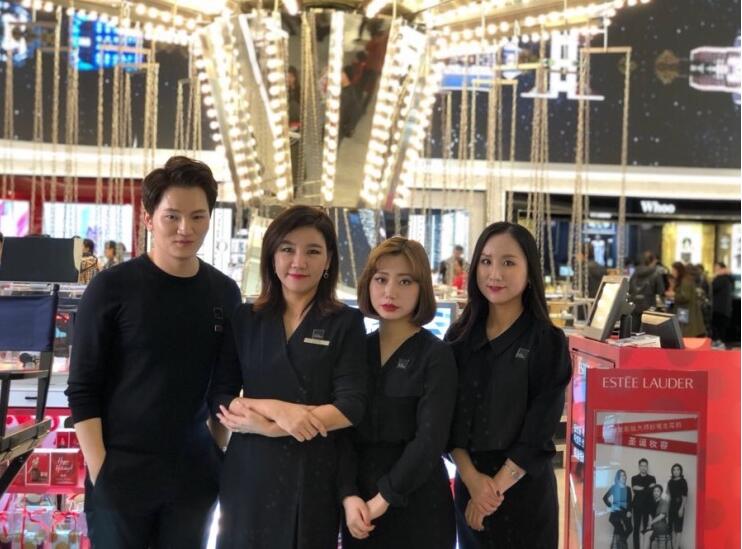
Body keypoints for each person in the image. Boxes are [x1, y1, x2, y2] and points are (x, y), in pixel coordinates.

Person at [65, 156, 242, 548]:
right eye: (172, 216)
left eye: (197, 217)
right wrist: (101, 471)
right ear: (148, 218)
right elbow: (82, 387)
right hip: (120, 471)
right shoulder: (111, 288)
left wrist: (216, 451)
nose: (185, 229)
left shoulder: (224, 293)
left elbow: (225, 386)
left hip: (193, 475)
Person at [210, 205, 367, 548]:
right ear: (271, 255)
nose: (299, 261)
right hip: (250, 472)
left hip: (312, 472)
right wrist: (279, 409)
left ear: (328, 260)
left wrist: (270, 426)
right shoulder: (245, 318)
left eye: (313, 251)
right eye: (287, 249)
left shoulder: (345, 322)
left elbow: (352, 406)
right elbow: (220, 396)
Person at [446, 222, 571, 548]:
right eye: (486, 261)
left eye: (508, 262)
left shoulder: (547, 341)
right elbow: (446, 420)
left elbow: (540, 428)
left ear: (530, 272)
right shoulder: (458, 338)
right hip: (470, 487)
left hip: (524, 493)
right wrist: (473, 483)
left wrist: (492, 491)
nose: (495, 273)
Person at [339, 237, 457, 548]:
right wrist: (348, 495)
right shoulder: (355, 351)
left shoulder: (436, 355)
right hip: (358, 508)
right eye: (381, 279)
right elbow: (340, 432)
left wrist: (384, 497)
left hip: (418, 504)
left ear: (422, 289)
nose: (390, 292)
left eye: (405, 281)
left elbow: (430, 439)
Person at [666, 262, 705, 337]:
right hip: (684, 311)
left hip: (684, 311)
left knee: (685, 333)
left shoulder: (685, 281)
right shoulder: (683, 280)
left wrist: (673, 295)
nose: (672, 272)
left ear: (679, 270)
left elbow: (685, 297)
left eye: (674, 270)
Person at [628, 252, 665, 331]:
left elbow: (629, 289)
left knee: (633, 331)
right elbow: (661, 291)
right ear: (653, 261)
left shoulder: (635, 273)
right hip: (649, 306)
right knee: (648, 332)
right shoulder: (656, 273)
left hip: (634, 305)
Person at [603, 470, 633, 549]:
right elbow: (605, 498)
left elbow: (630, 502)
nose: (624, 477)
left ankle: (619, 543)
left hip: (625, 512)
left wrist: (629, 511)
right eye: (622, 475)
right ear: (618, 477)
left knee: (629, 529)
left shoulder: (628, 489)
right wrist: (612, 506)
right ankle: (621, 544)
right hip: (616, 513)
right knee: (619, 530)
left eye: (624, 475)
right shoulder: (614, 487)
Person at [631, 458, 657, 549]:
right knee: (636, 528)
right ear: (639, 467)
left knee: (648, 528)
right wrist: (648, 488)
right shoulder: (634, 478)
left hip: (648, 507)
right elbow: (635, 489)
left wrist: (641, 488)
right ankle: (636, 547)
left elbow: (652, 491)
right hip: (637, 506)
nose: (643, 467)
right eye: (641, 466)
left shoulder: (652, 478)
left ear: (647, 467)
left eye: (645, 466)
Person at [711, 261, 734, 347]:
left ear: (721, 269)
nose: (715, 269)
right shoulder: (729, 278)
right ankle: (720, 343)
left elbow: (712, 287)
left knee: (717, 328)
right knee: (721, 328)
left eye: (716, 268)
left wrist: (715, 277)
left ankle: (718, 343)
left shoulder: (720, 279)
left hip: (719, 308)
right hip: (725, 309)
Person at [666, 464, 688, 549]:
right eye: (674, 470)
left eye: (678, 469)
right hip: (671, 506)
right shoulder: (670, 482)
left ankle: (676, 547)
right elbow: (668, 495)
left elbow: (685, 496)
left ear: (680, 471)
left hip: (679, 506)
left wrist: (682, 508)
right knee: (672, 528)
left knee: (678, 528)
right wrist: (667, 508)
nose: (676, 471)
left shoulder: (683, 481)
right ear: (672, 471)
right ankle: (674, 546)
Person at [644, 485, 671, 549]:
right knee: (646, 534)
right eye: (654, 491)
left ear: (661, 492)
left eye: (658, 491)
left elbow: (662, 515)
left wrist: (651, 523)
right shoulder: (651, 503)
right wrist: (649, 525)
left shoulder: (664, 502)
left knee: (649, 535)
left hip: (661, 525)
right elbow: (650, 515)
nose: (656, 493)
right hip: (653, 526)